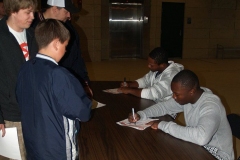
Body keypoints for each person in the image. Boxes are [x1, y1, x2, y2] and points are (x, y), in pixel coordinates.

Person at [16, 19, 92, 159]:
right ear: (57, 43)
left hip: (33, 145)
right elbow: (82, 112)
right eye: (65, 45)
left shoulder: (25, 69)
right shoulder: (59, 74)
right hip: (56, 148)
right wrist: (86, 100)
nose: (66, 50)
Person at [128, 70, 234, 160]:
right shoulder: (188, 97)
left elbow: (201, 138)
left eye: (177, 94)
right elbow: (164, 107)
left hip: (216, 154)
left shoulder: (211, 106)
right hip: (197, 146)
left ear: (191, 91)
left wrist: (163, 125)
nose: (173, 97)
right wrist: (141, 114)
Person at [31, 0, 93, 99]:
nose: (69, 16)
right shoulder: (31, 27)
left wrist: (84, 84)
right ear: (55, 9)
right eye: (66, 11)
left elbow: (77, 60)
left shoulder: (69, 29)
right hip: (40, 89)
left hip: (66, 86)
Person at [0, 0, 38, 159]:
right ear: (13, 11)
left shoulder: (33, 34)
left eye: (33, 12)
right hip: (10, 114)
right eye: (27, 12)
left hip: (34, 111)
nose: (33, 16)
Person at [118, 47, 184, 103]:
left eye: (151, 65)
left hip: (166, 109)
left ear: (162, 65)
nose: (148, 66)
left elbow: (154, 93)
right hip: (154, 102)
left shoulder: (171, 76)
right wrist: (129, 85)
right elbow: (145, 80)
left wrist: (129, 90)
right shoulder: (158, 69)